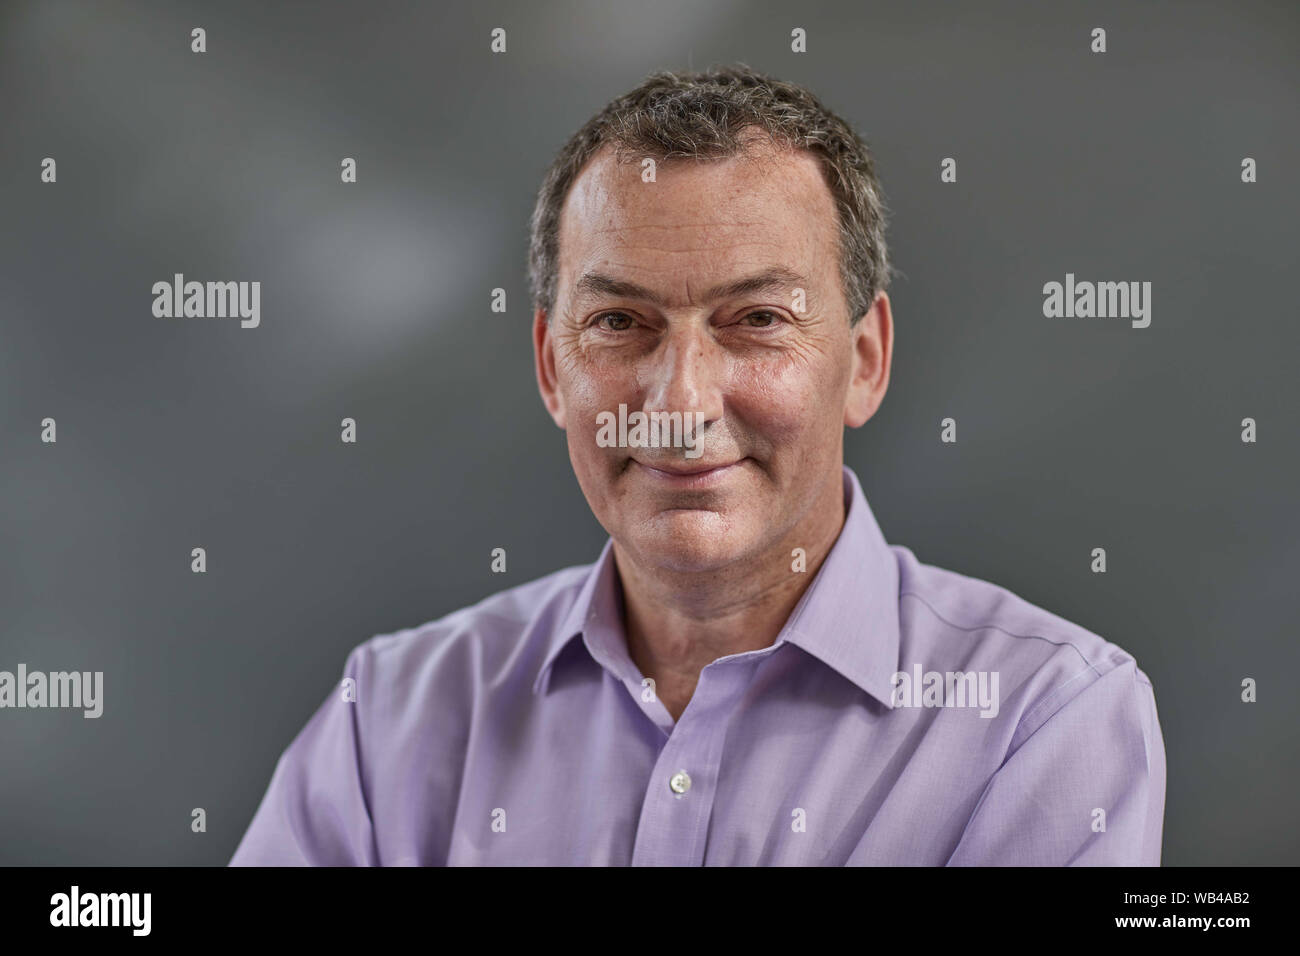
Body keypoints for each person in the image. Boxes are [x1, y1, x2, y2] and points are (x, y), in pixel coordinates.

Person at [230, 64, 1165, 866]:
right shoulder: (388, 719)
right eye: (619, 323)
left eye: (757, 320)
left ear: (866, 360)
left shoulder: (1044, 721)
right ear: (553, 369)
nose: (679, 406)